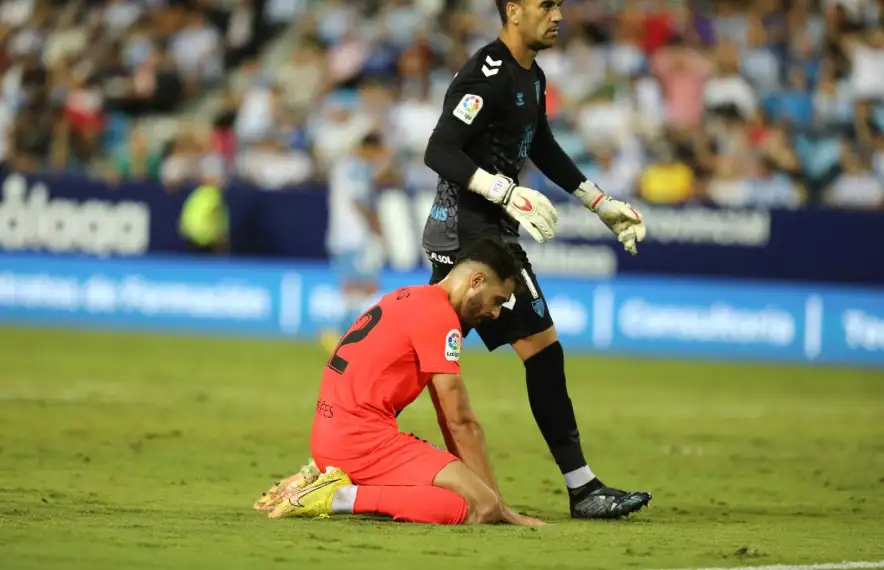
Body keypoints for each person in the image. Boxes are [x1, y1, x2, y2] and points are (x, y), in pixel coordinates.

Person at [420, 0, 651, 519]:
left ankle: (349, 450)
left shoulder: (532, 76)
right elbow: (439, 149)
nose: (559, 15)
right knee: (543, 352)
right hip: (472, 237)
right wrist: (501, 190)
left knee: (424, 351)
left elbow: (540, 145)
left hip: (474, 231)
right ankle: (583, 488)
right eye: (546, 5)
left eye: (560, 5)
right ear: (514, 11)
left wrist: (599, 202)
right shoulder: (488, 72)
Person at [266, 239, 545, 526]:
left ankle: (318, 480)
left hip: (331, 436)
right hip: (360, 442)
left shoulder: (406, 296)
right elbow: (459, 421)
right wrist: (496, 505)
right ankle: (339, 497)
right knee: (479, 508)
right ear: (476, 280)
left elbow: (444, 415)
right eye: (498, 300)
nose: (496, 313)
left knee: (470, 499)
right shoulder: (440, 317)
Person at [321, 131, 387, 353]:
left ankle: (344, 334)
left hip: (340, 235)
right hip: (356, 236)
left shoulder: (342, 165)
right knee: (363, 287)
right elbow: (358, 200)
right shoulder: (358, 167)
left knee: (357, 287)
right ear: (369, 148)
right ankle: (339, 333)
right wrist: (376, 225)